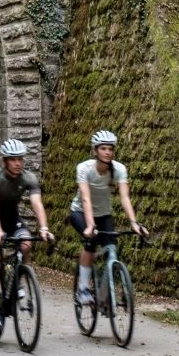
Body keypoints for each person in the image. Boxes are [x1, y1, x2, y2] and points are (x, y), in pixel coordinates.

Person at [0, 139, 53, 333]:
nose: (18, 163)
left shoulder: (28, 178)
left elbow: (37, 204)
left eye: (20, 159)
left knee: (26, 244)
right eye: (13, 159)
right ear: (5, 161)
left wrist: (44, 228)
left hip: (12, 218)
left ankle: (21, 280)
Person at [70, 129, 148, 306]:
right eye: (103, 148)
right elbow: (86, 198)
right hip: (80, 213)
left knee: (112, 248)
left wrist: (134, 223)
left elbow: (124, 197)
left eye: (110, 149)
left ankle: (106, 293)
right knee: (90, 243)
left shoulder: (119, 169)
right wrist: (90, 225)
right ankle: (82, 288)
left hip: (104, 214)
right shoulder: (84, 168)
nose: (107, 152)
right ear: (95, 150)